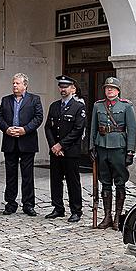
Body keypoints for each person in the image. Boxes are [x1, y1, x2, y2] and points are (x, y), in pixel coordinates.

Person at [89, 77, 136, 230]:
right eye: (107, 88)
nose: (109, 90)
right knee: (105, 182)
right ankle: (107, 215)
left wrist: (130, 151)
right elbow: (93, 127)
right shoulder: (98, 106)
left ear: (117, 90)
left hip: (119, 148)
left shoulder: (126, 106)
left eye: (112, 88)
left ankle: (117, 216)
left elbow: (132, 129)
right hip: (102, 147)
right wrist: (92, 147)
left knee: (120, 182)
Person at [0, 73, 44, 217]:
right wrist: (6, 128)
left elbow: (38, 117)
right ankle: (10, 204)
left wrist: (25, 129)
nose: (14, 86)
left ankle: (28, 204)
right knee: (10, 175)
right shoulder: (6, 100)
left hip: (27, 141)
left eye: (17, 83)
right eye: (13, 83)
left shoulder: (34, 99)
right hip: (10, 141)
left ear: (25, 85)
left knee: (27, 175)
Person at [44, 76, 87, 222]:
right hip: (55, 151)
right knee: (55, 180)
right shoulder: (54, 106)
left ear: (72, 88)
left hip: (70, 151)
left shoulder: (78, 106)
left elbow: (78, 130)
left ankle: (76, 210)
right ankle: (58, 208)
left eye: (66, 87)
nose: (63, 89)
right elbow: (48, 127)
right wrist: (53, 146)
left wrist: (61, 145)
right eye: (61, 87)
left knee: (72, 181)